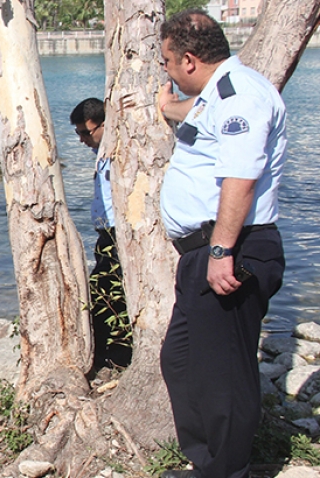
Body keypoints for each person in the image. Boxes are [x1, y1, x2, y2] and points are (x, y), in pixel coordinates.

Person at [158, 10, 287, 478]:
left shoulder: (241, 96)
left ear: (189, 60)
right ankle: (207, 463)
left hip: (232, 249)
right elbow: (193, 117)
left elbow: (241, 178)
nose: (167, 70)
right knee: (181, 361)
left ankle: (228, 471)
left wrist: (220, 252)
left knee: (222, 376)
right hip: (205, 253)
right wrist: (164, 107)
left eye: (168, 62)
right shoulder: (215, 95)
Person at [69, 98, 131, 373]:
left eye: (86, 132)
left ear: (105, 125)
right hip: (106, 232)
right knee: (102, 290)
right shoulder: (103, 155)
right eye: (78, 133)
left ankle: (116, 356)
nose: (82, 139)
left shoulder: (122, 153)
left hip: (119, 234)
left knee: (107, 293)